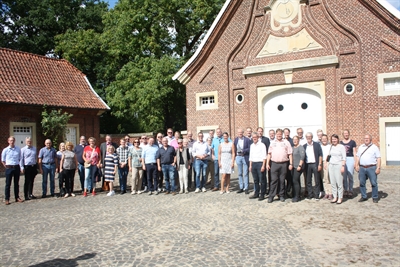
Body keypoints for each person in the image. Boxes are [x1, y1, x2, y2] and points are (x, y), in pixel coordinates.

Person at [267, 129, 293, 203]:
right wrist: (267, 164)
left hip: (284, 164)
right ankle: (271, 196)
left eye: (280, 134)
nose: (279, 135)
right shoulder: (272, 143)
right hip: (274, 164)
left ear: (282, 134)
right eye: (278, 134)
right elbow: (269, 154)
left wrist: (291, 164)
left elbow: (290, 154)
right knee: (273, 180)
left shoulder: (286, 142)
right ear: (276, 134)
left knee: (282, 180)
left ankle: (281, 195)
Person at [355, 135, 381, 203]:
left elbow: (378, 158)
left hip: (371, 167)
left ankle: (375, 197)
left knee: (374, 183)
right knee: (362, 183)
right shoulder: (361, 147)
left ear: (370, 139)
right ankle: (364, 196)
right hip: (362, 167)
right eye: (365, 138)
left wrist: (378, 167)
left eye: (367, 138)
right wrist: (356, 165)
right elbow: (358, 156)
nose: (366, 139)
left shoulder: (374, 147)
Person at [2, 136, 23, 205]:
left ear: (14, 141)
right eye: (10, 140)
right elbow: (3, 160)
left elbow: (20, 158)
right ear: (8, 141)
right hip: (9, 168)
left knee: (16, 183)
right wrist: (6, 166)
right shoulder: (5, 150)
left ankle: (17, 197)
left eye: (13, 140)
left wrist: (20, 166)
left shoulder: (18, 149)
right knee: (8, 184)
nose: (12, 142)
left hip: (16, 167)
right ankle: (7, 199)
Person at [326, 134, 346, 204]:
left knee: (339, 182)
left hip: (338, 165)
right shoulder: (331, 146)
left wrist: (343, 166)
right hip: (331, 165)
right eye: (332, 139)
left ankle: (340, 197)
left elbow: (344, 157)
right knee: (333, 182)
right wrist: (327, 164)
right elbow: (329, 156)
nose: (334, 140)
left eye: (335, 139)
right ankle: (335, 197)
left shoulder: (341, 147)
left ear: (337, 139)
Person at [303, 132, 323, 200]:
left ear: (312, 137)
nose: (309, 138)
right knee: (308, 180)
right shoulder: (304, 146)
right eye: (307, 137)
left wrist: (320, 164)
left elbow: (320, 155)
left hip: (315, 164)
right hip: (307, 164)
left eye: (310, 136)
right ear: (306, 138)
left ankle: (317, 194)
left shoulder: (317, 145)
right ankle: (310, 194)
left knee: (317, 180)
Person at [248, 132, 267, 201]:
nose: (254, 139)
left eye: (255, 137)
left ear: (258, 137)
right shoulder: (252, 145)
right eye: (253, 137)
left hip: (260, 163)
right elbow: (251, 156)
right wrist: (250, 165)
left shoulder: (262, 145)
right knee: (255, 180)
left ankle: (262, 194)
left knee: (262, 180)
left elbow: (264, 156)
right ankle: (256, 193)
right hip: (254, 164)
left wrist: (263, 166)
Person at [234, 128, 251, 194]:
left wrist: (243, 151)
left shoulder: (247, 140)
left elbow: (250, 148)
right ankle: (241, 187)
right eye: (238, 133)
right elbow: (234, 148)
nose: (240, 134)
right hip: (238, 157)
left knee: (246, 173)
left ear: (243, 133)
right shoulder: (236, 140)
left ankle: (246, 188)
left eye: (241, 133)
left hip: (245, 157)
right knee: (240, 173)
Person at [341, 129, 356, 198]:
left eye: (347, 133)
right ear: (343, 134)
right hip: (343, 159)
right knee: (344, 176)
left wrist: (355, 161)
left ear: (349, 134)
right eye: (344, 133)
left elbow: (354, 152)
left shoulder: (352, 142)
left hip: (350, 158)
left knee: (350, 175)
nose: (346, 134)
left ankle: (350, 190)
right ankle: (345, 189)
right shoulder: (341, 143)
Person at [291, 136, 305, 202]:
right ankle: (297, 195)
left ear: (298, 140)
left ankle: (297, 196)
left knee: (295, 181)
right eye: (294, 140)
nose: (295, 141)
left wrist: (300, 165)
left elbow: (302, 157)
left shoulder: (300, 147)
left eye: (296, 140)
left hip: (298, 167)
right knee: (296, 181)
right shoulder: (293, 148)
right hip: (293, 166)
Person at [257, 127, 270, 194]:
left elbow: (268, 151)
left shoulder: (266, 139)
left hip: (263, 160)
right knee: (256, 177)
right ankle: (257, 190)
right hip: (256, 160)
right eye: (259, 131)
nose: (260, 132)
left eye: (261, 131)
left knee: (263, 177)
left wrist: (267, 162)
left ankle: (264, 190)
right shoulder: (254, 139)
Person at [320, 134, 332, 200]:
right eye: (323, 139)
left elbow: (329, 155)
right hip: (321, 163)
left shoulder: (330, 146)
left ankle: (330, 193)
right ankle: (326, 192)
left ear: (327, 139)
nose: (324, 140)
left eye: (325, 138)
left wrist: (326, 162)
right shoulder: (320, 146)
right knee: (323, 179)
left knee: (328, 178)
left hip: (327, 162)